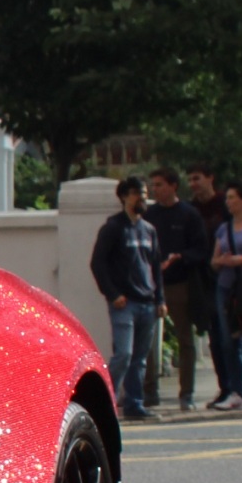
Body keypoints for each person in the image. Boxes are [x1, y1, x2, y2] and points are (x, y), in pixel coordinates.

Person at [93, 176, 163, 419]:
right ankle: (104, 403)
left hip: (147, 302)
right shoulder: (113, 228)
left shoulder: (149, 230)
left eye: (143, 193)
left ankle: (134, 404)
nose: (141, 198)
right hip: (125, 303)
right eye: (135, 193)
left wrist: (160, 299)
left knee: (140, 359)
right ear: (123, 197)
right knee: (123, 354)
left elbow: (155, 267)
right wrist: (113, 294)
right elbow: (98, 264)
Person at [144, 167, 210, 410]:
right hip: (152, 284)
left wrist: (179, 257)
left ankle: (187, 394)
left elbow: (201, 250)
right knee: (148, 340)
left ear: (173, 186)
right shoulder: (150, 215)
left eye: (160, 185)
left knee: (185, 339)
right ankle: (149, 391)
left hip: (179, 283)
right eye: (154, 185)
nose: (156, 190)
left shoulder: (189, 215)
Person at [208, 183, 242, 409]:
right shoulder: (224, 228)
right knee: (229, 340)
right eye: (227, 198)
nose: (228, 202)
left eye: (233, 197)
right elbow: (214, 261)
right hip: (226, 288)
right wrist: (223, 261)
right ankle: (237, 390)